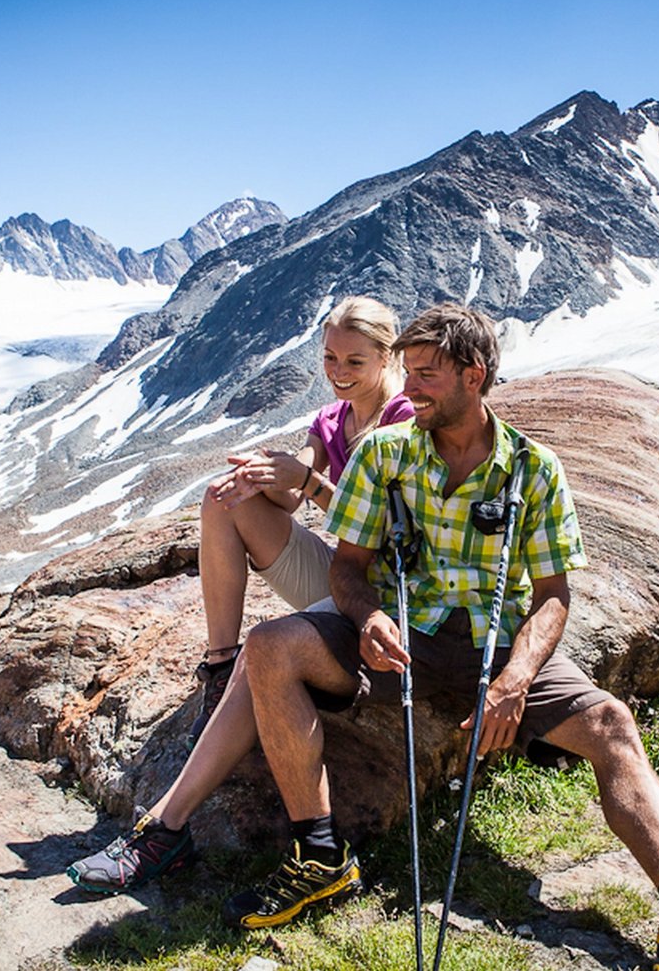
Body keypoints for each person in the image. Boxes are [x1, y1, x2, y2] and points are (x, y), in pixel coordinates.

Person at [226, 304, 659, 970]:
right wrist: (367, 618)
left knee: (612, 726)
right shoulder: (383, 455)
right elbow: (348, 567)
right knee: (271, 645)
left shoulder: (535, 470)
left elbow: (553, 595)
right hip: (397, 638)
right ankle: (321, 857)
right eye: (407, 372)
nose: (407, 389)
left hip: (493, 650)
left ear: (474, 376)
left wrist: (514, 680)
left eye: (426, 376)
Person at [65, 295, 413, 894]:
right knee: (220, 499)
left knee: (269, 651)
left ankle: (163, 832)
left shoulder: (403, 418)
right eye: (329, 357)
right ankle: (221, 665)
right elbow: (289, 499)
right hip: (339, 577)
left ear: (387, 357)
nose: (338, 371)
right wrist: (266, 477)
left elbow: (387, 528)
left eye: (355, 361)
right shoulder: (333, 420)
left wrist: (309, 483)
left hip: (378, 592)